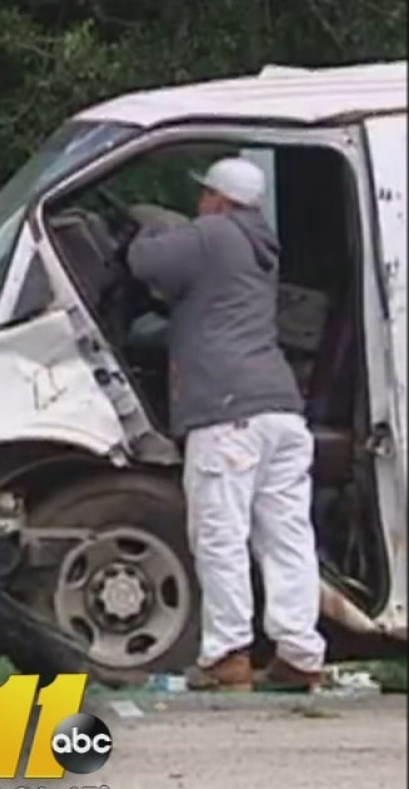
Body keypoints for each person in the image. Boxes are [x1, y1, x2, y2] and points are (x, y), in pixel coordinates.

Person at [125, 155, 324, 692]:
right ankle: (301, 654)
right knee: (286, 537)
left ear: (216, 198)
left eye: (202, 196)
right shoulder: (260, 246)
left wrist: (151, 225)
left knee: (220, 536)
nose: (200, 205)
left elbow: (144, 264)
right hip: (282, 411)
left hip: (228, 412)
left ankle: (226, 654)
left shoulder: (213, 234)